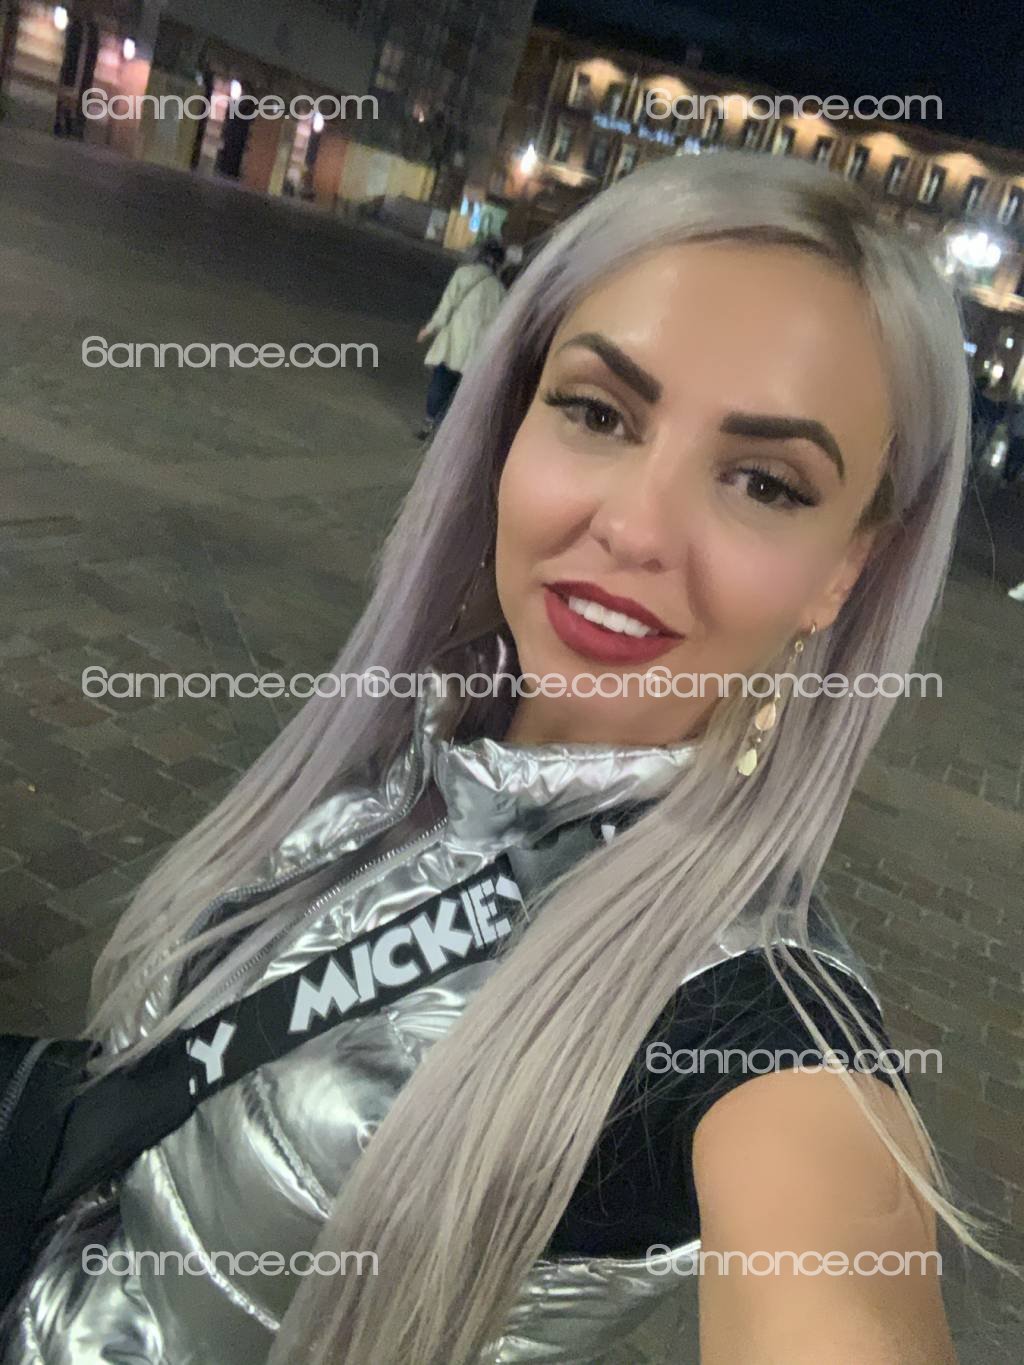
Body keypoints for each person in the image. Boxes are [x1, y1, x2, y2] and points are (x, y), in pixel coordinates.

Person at [4, 151, 992, 1365]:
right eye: (598, 413)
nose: (633, 526)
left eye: (762, 482)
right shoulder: (417, 738)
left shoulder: (747, 1020)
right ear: (513, 419)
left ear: (844, 568)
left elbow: (834, 1278)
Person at [414, 236, 506, 440]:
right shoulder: (499, 289)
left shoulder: (463, 274)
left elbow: (445, 308)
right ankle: (449, 432)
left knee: (440, 383)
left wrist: (429, 329)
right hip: (477, 350)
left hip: (453, 342)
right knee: (461, 393)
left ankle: (429, 423)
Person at [1003, 394, 1024, 482]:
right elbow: (1012, 416)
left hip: (1017, 434)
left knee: (1013, 456)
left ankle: (1009, 476)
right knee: (1013, 456)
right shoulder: (1019, 407)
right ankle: (1009, 475)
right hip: (1018, 434)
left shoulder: (1019, 407)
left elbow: (1012, 417)